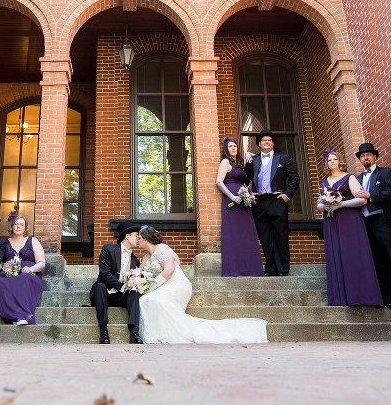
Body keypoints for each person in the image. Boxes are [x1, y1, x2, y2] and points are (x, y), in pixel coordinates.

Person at [137, 226, 268, 343]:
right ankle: (161, 332)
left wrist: (151, 287)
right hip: (163, 285)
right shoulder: (146, 257)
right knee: (145, 299)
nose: (137, 240)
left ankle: (172, 333)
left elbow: (169, 270)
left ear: (145, 238)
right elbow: (141, 274)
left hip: (177, 285)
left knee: (154, 299)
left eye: (138, 237)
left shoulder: (162, 249)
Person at [317, 150, 384, 306]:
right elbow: (319, 204)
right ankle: (340, 297)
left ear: (340, 161)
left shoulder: (350, 177)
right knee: (336, 254)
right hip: (331, 221)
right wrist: (326, 206)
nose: (332, 162)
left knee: (352, 253)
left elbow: (362, 200)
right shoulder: (324, 181)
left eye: (335, 159)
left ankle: (361, 296)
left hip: (349, 220)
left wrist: (339, 204)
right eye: (329, 160)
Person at [353, 143, 391, 307]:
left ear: (375, 157)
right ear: (360, 159)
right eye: (362, 156)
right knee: (377, 260)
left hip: (382, 220)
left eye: (368, 155)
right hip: (365, 223)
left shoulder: (386, 173)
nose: (366, 158)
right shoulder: (357, 179)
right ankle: (386, 296)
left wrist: (371, 194)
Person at [244, 129, 300, 276]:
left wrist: (287, 195)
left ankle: (283, 268)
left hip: (277, 200)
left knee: (280, 234)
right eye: (263, 140)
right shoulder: (254, 160)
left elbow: (295, 178)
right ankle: (271, 268)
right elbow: (246, 179)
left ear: (273, 142)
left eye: (269, 140)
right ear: (259, 144)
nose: (266, 142)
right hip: (259, 202)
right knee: (265, 236)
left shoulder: (283, 158)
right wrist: (246, 163)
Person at [215, 136, 264, 276]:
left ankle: (250, 268)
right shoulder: (225, 162)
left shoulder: (239, 164)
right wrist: (232, 197)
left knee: (246, 232)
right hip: (232, 201)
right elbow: (219, 182)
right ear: (226, 149)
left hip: (244, 202)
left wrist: (248, 195)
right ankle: (234, 268)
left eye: (235, 146)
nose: (233, 148)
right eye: (230, 146)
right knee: (234, 232)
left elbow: (247, 179)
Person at [90, 220, 144, 344]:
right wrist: (122, 286)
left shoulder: (135, 260)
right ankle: (103, 331)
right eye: (136, 235)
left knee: (135, 291)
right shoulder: (108, 250)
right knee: (99, 287)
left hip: (120, 296)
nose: (138, 238)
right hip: (104, 293)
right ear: (127, 236)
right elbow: (104, 274)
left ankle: (134, 332)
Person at [0, 214, 46, 325]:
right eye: (16, 224)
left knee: (23, 279)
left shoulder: (32, 241)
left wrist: (30, 268)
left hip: (29, 273)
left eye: (21, 224)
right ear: (11, 227)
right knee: (1, 281)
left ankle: (23, 316)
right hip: (10, 272)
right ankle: (12, 315)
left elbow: (41, 264)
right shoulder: (5, 243)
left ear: (25, 227)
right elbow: (0, 265)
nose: (18, 227)